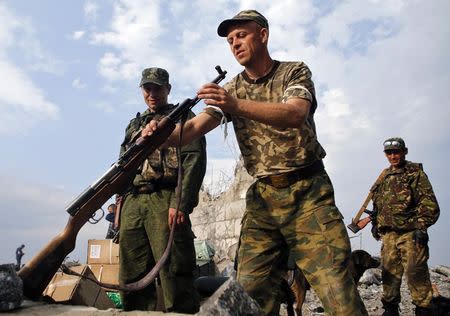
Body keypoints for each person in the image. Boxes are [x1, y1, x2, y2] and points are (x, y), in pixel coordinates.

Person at [143, 10, 367, 315]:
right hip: (264, 200)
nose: (235, 44)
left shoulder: (293, 72)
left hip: (308, 195)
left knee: (337, 292)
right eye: (230, 40)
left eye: (241, 35)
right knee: (249, 293)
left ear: (263, 35)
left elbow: (295, 113)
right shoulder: (231, 88)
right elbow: (194, 129)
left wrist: (234, 105)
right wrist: (162, 134)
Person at [117, 67, 206, 313]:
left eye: (158, 88)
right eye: (147, 88)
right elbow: (123, 164)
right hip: (134, 201)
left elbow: (193, 161)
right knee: (132, 270)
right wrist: (119, 201)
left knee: (173, 269)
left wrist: (180, 202)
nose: (152, 93)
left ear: (168, 89)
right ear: (142, 90)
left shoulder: (183, 116)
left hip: (165, 197)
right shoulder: (134, 124)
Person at [370, 137, 440, 316]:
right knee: (389, 273)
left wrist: (421, 227)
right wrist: (375, 223)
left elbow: (429, 203)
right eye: (389, 153)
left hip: (410, 233)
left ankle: (423, 309)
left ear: (404, 151)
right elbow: (377, 205)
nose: (393, 156)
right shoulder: (384, 176)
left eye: (396, 151)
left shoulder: (414, 173)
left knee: (416, 272)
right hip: (388, 235)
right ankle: (390, 309)